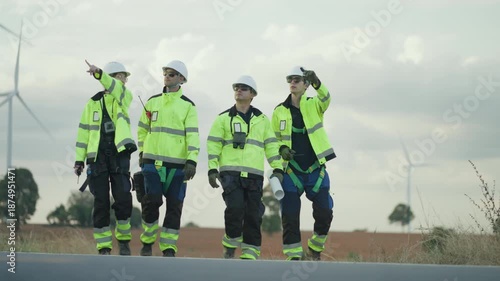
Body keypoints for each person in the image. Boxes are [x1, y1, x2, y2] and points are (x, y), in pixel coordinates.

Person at [207, 75, 284, 260]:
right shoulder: (222, 119)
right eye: (236, 87)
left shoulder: (262, 120)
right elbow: (213, 145)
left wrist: (278, 168)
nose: (238, 90)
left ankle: (250, 253)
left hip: (254, 175)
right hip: (230, 174)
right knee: (235, 209)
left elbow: (271, 145)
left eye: (243, 88)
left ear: (253, 94)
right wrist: (211, 169)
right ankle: (231, 241)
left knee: (253, 214)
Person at [272, 66, 335, 261]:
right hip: (291, 171)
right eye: (290, 79)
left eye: (297, 79)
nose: (293, 82)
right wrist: (281, 149)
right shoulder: (279, 111)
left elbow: (326, 98)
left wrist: (317, 81)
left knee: (325, 212)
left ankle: (315, 249)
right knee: (290, 215)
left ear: (306, 84)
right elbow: (272, 140)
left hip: (316, 169)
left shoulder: (314, 104)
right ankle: (294, 257)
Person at [137, 60, 199, 257]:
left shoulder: (188, 106)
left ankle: (169, 247)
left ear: (181, 79)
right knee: (151, 201)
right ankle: (147, 241)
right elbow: (141, 130)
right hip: (151, 162)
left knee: (174, 206)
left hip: (178, 166)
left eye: (172, 74)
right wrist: (141, 152)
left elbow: (193, 135)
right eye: (165, 72)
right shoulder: (152, 101)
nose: (167, 76)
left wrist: (192, 160)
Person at [74, 60, 137, 255]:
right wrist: (79, 160)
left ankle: (124, 241)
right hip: (97, 157)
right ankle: (103, 247)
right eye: (123, 76)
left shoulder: (124, 96)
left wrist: (100, 73)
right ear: (115, 75)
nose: (125, 80)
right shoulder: (91, 104)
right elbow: (83, 133)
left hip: (119, 155)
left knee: (123, 199)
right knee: (100, 202)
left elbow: (115, 87)